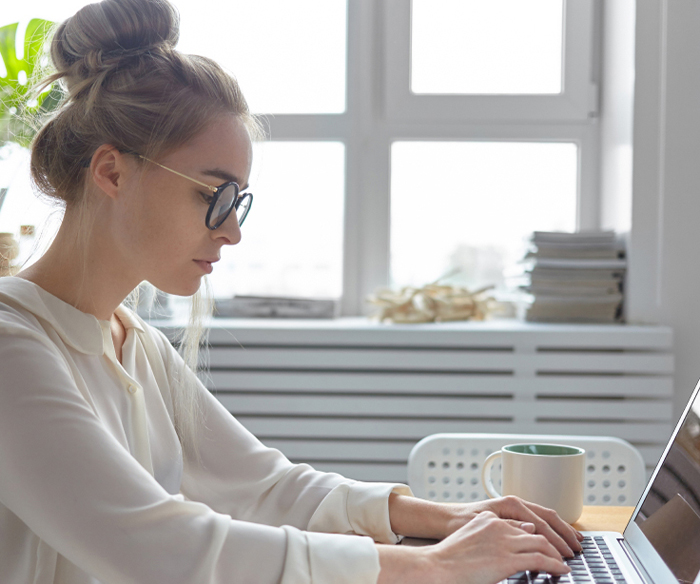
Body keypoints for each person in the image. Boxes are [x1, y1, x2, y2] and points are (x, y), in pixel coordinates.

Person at [0, 0, 583, 582]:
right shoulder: (13, 348)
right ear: (112, 173)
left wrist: (448, 516)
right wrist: (433, 565)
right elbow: (161, 545)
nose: (232, 230)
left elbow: (266, 488)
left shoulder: (133, 342)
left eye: (238, 202)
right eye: (213, 196)